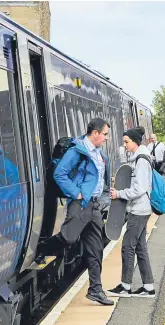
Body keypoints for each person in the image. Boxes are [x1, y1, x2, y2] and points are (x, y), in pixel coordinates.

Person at [35, 118, 114, 306]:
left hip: (94, 206)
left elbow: (102, 179)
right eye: (104, 134)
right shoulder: (76, 151)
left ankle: (95, 290)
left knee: (96, 249)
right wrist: (75, 193)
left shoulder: (100, 155)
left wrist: (103, 199)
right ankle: (42, 248)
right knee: (68, 238)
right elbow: (59, 173)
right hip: (80, 204)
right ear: (95, 133)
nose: (106, 138)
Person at [107, 126, 155, 298]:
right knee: (140, 248)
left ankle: (125, 286)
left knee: (128, 247)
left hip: (139, 210)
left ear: (134, 141)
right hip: (142, 209)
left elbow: (140, 188)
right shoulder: (141, 157)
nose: (125, 145)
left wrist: (119, 193)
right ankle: (148, 287)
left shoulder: (141, 160)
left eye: (127, 142)